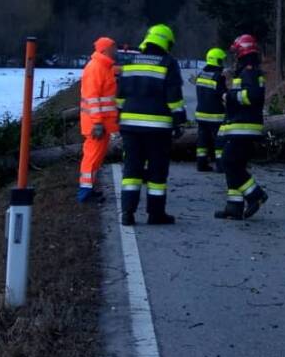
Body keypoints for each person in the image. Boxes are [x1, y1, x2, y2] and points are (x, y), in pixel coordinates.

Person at [116, 23, 187, 225]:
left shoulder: (130, 60)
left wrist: (120, 114)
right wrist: (179, 121)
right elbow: (174, 96)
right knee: (157, 172)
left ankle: (127, 214)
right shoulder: (168, 62)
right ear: (166, 42)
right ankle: (156, 214)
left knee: (131, 170)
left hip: (130, 126)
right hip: (158, 129)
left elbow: (120, 93)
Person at [215, 33, 269, 220]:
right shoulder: (246, 71)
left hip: (245, 128)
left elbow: (252, 97)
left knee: (229, 162)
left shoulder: (250, 71)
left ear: (242, 51)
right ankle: (234, 206)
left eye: (236, 52)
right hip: (240, 126)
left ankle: (256, 194)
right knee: (234, 164)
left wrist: (228, 96)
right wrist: (224, 91)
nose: (235, 56)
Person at [76, 36, 119, 203]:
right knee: (91, 158)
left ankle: (88, 189)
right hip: (97, 125)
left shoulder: (104, 66)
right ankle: (85, 193)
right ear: (104, 50)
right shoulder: (96, 68)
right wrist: (98, 123)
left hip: (102, 124)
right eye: (113, 48)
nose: (116, 51)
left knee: (96, 158)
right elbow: (92, 98)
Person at [193, 47, 227, 172]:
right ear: (217, 61)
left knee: (202, 140)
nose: (223, 64)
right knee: (219, 140)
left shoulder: (201, 74)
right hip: (215, 115)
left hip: (201, 114)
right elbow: (223, 95)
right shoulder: (218, 77)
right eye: (221, 61)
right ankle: (220, 165)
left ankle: (201, 164)